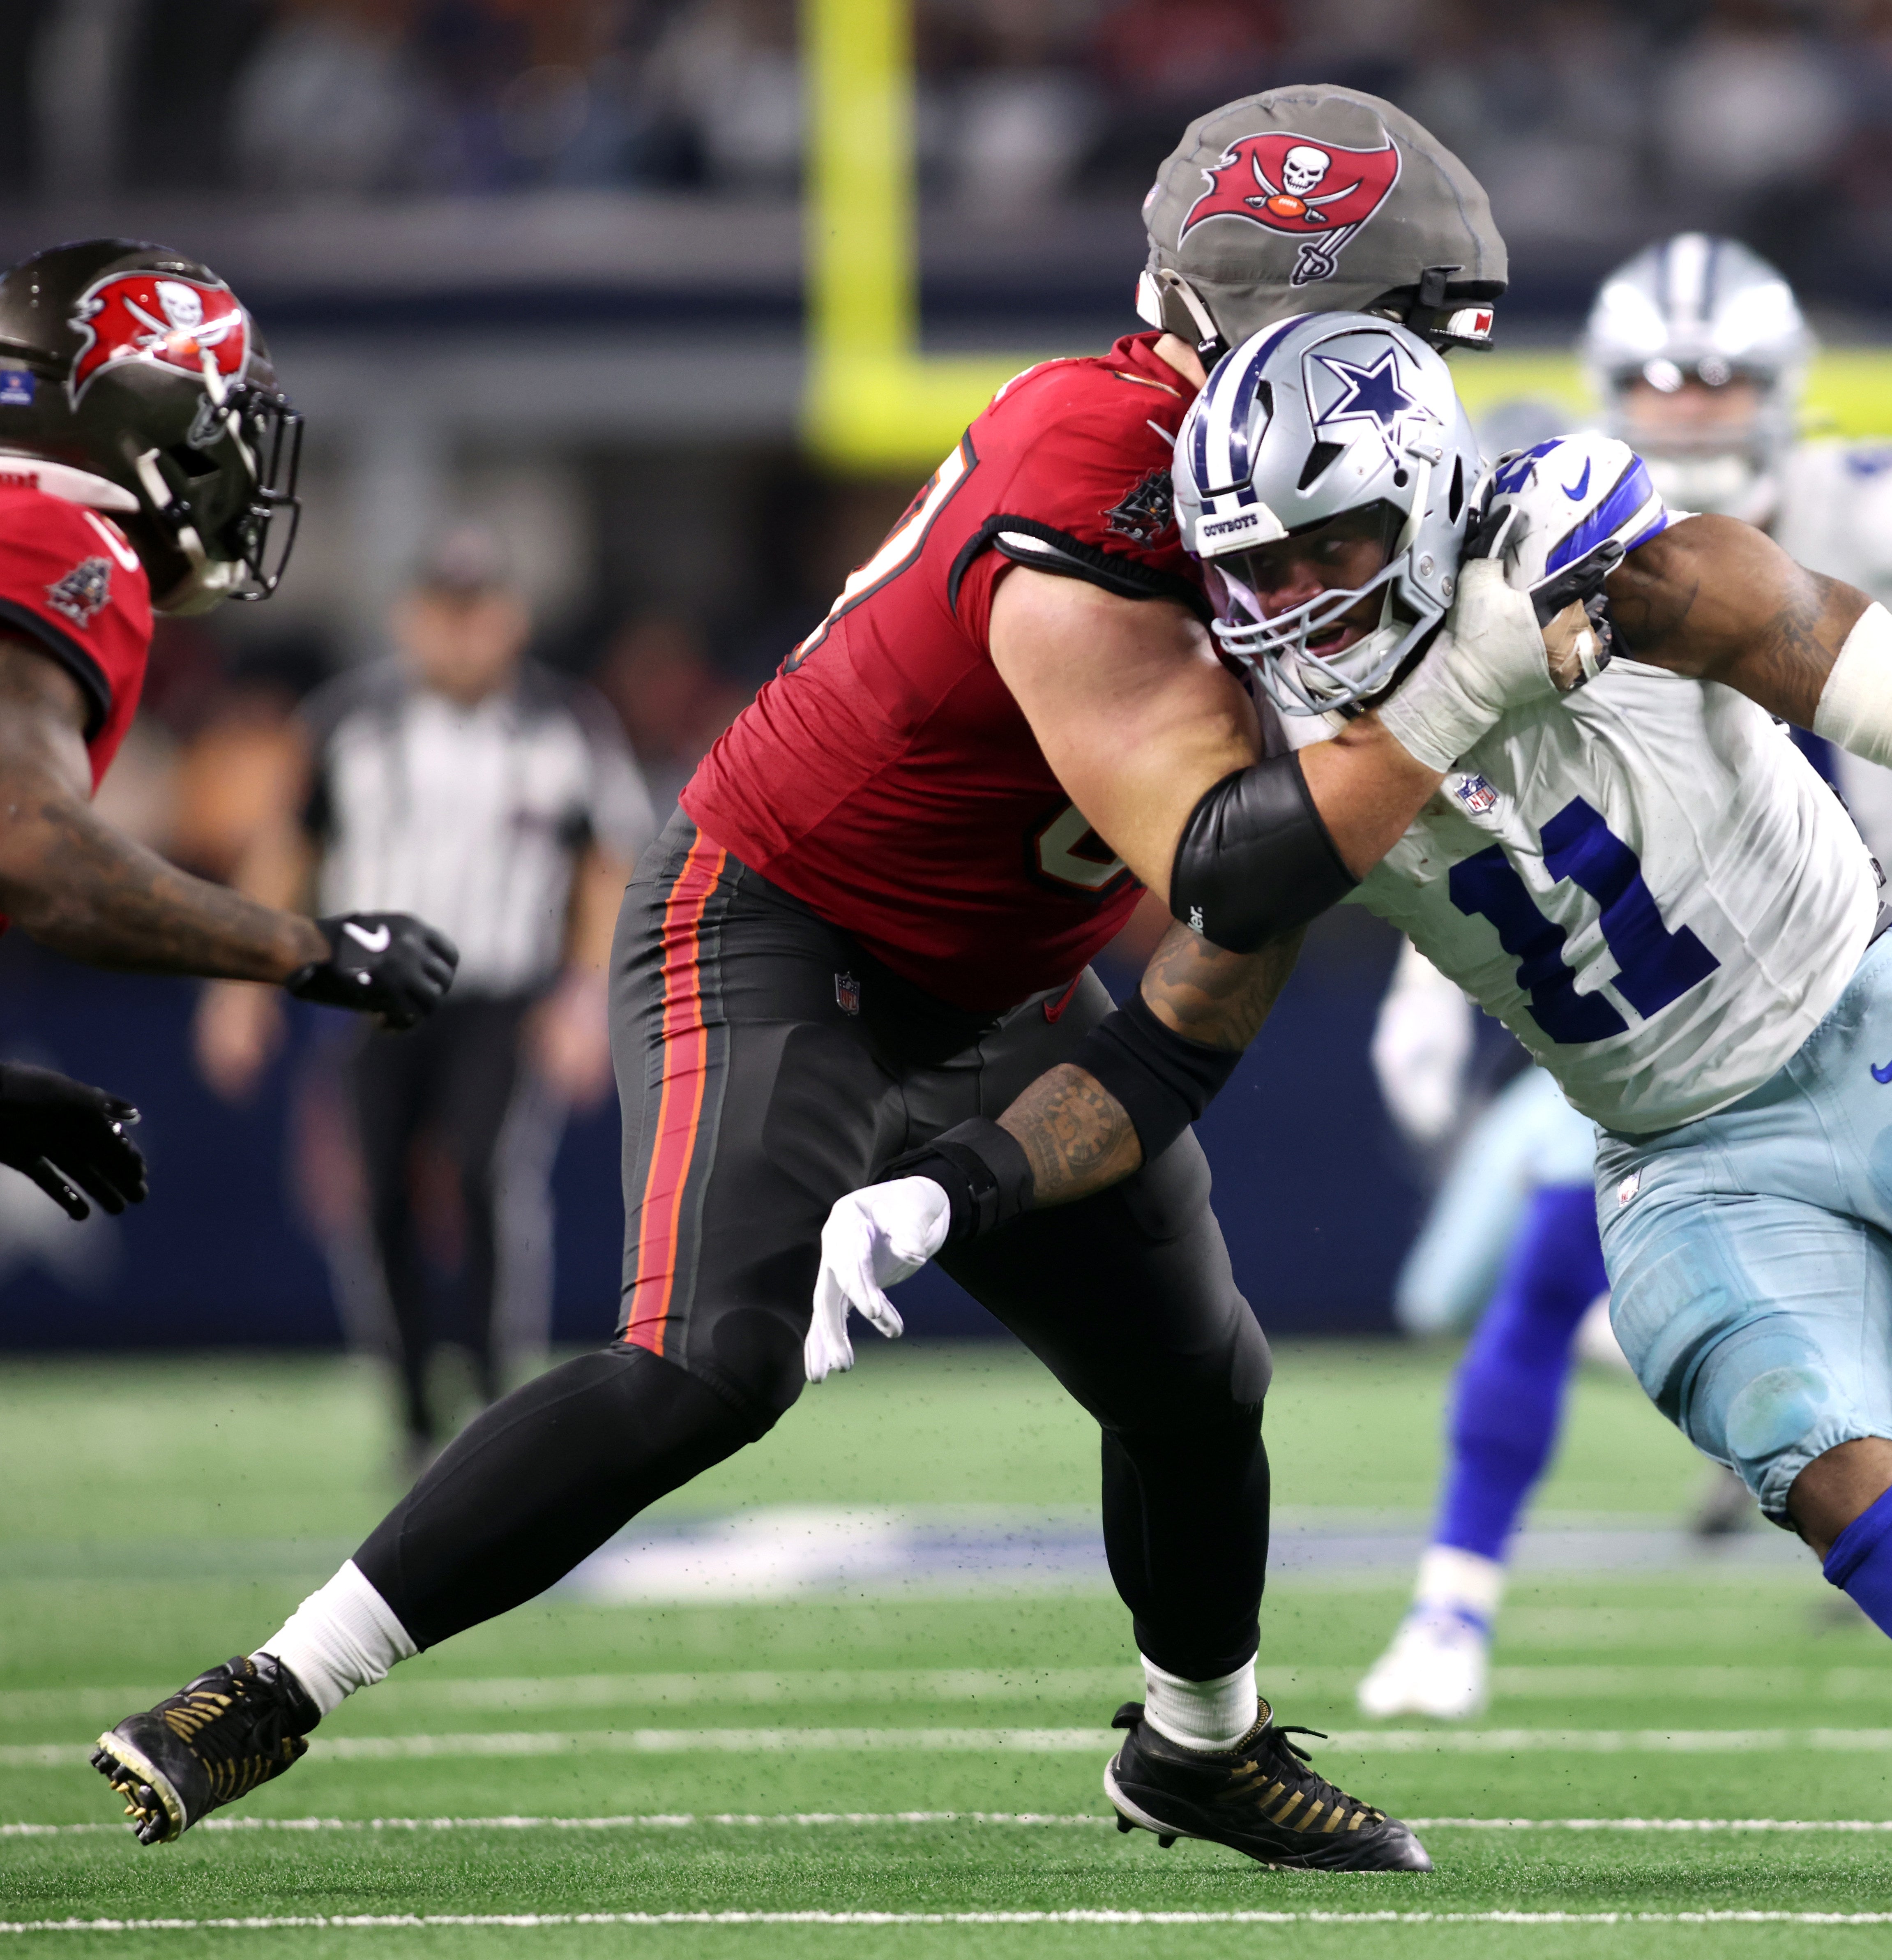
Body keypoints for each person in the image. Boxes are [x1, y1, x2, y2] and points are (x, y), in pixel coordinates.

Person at [813, 312, 1892, 1899]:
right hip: (1672, 1148)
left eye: (1325, 545)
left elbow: (1889, 685)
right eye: (1251, 562)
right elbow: (1174, 1039)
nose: (1289, 596)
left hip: (1866, 1025)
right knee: (1818, 1461)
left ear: (1417, 500)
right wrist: (946, 1190)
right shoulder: (1279, 754)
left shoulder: (1610, 564)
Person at [93, 88, 1521, 1873]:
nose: (1407, 386)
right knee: (712, 1363)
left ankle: (1198, 1748)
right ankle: (275, 1686)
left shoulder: (1253, 458)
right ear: (1266, 320)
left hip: (1006, 973)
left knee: (1195, 1378)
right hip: (786, 925)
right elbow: (1222, 865)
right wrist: (1478, 674)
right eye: (1383, 334)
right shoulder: (1105, 473)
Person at [1355, 238, 1892, 1731]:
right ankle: (1452, 1607)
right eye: (1655, 376)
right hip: (1668, 995)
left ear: (1780, 390)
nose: (1687, 406)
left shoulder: (1869, 505)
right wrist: (1420, 988)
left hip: (1873, 960)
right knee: (1530, 1268)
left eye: (1717, 377)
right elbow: (1461, 793)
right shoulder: (1528, 524)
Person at [0, 238, 458, 1219]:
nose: (242, 461)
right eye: (230, 421)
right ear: (156, 417)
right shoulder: (51, 533)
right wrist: (303, 947)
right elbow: (30, 848)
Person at [194, 526, 657, 1465]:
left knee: (486, 1176)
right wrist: (241, 985)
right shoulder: (351, 721)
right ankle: (411, 1406)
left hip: (500, 990)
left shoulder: (563, 724)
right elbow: (289, 850)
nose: (460, 633)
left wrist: (581, 997)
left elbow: (605, 870)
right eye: (444, 613)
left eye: (477, 611)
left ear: (511, 619)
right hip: (377, 997)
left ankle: (492, 1393)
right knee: (376, 1199)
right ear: (410, 619)